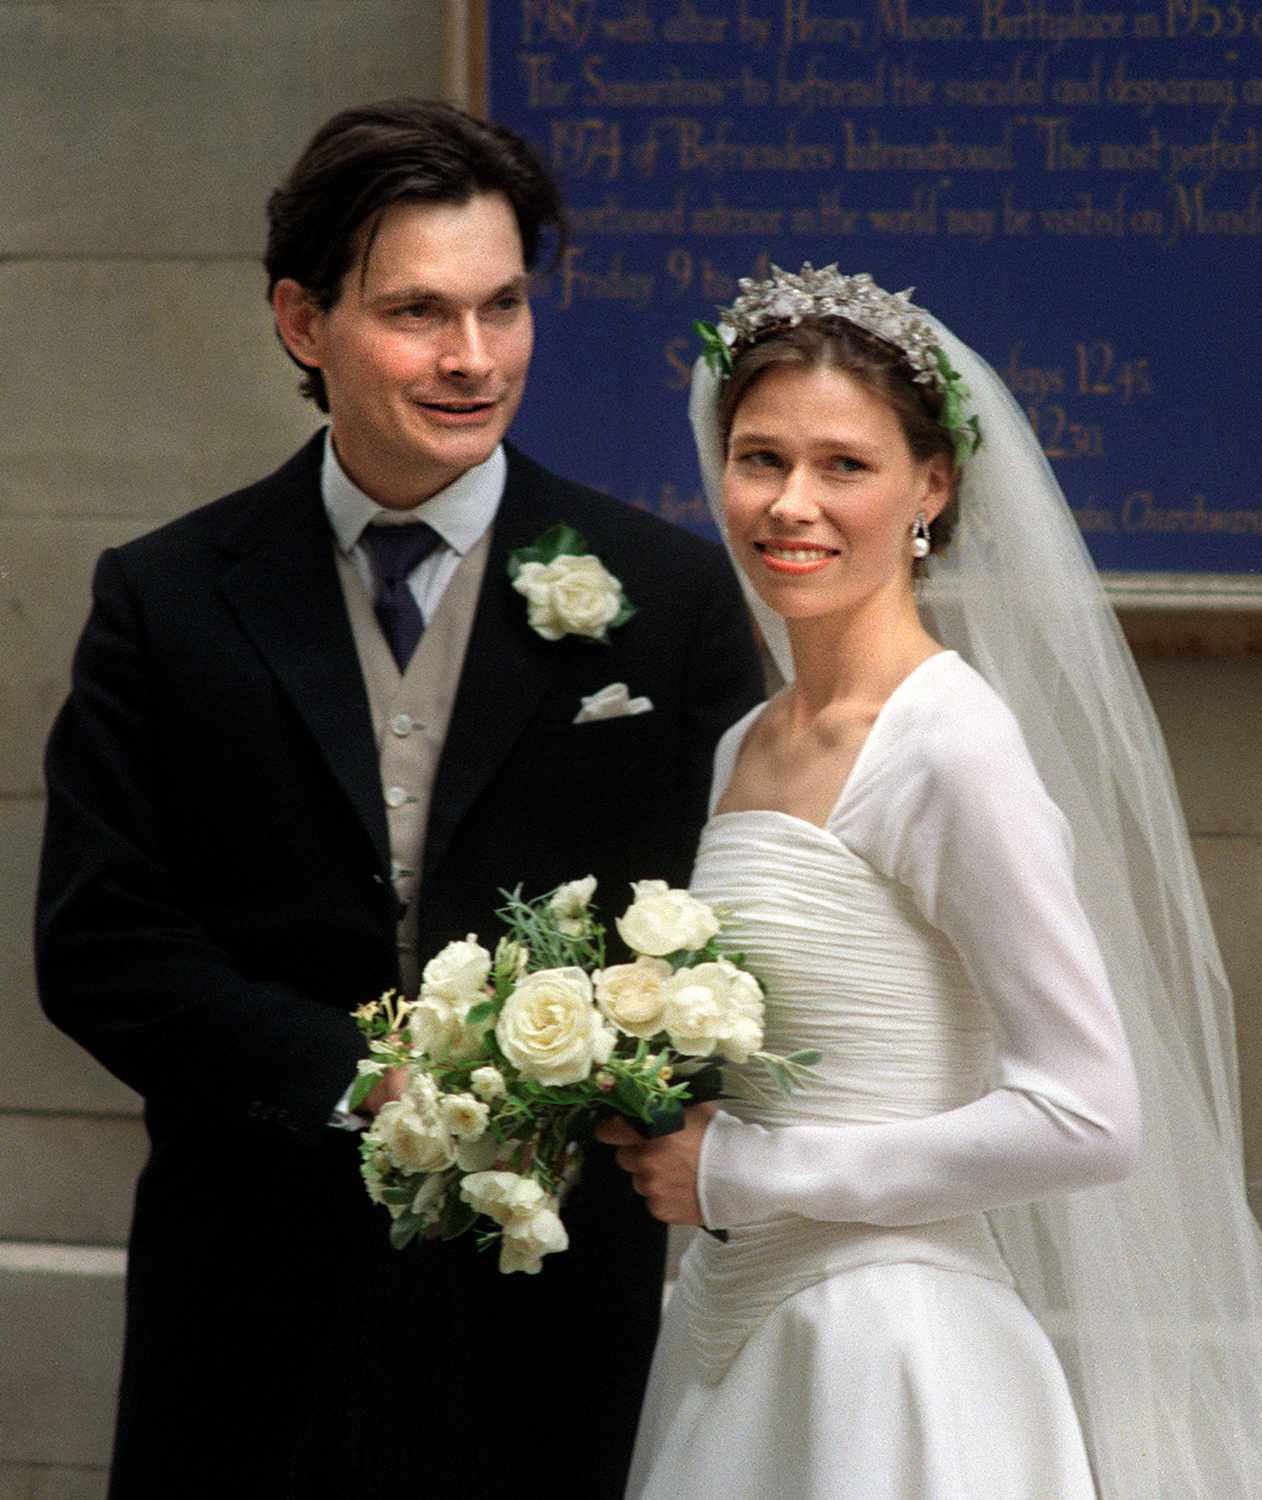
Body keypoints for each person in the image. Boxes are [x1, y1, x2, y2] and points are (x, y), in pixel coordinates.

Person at [34, 99, 762, 1499]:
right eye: (420, 312)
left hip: (555, 1301)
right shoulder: (168, 598)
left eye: (502, 306)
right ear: (305, 324)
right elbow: (101, 945)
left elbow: (735, 922)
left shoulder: (662, 603)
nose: (473, 359)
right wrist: (366, 1084)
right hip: (246, 1295)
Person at [600, 265, 1262, 1499]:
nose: (789, 503)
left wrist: (749, 1175)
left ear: (929, 488)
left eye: (843, 466)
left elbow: (1088, 1115)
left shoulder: (947, 743)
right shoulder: (747, 741)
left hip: (892, 1352)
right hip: (735, 1327)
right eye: (759, 457)